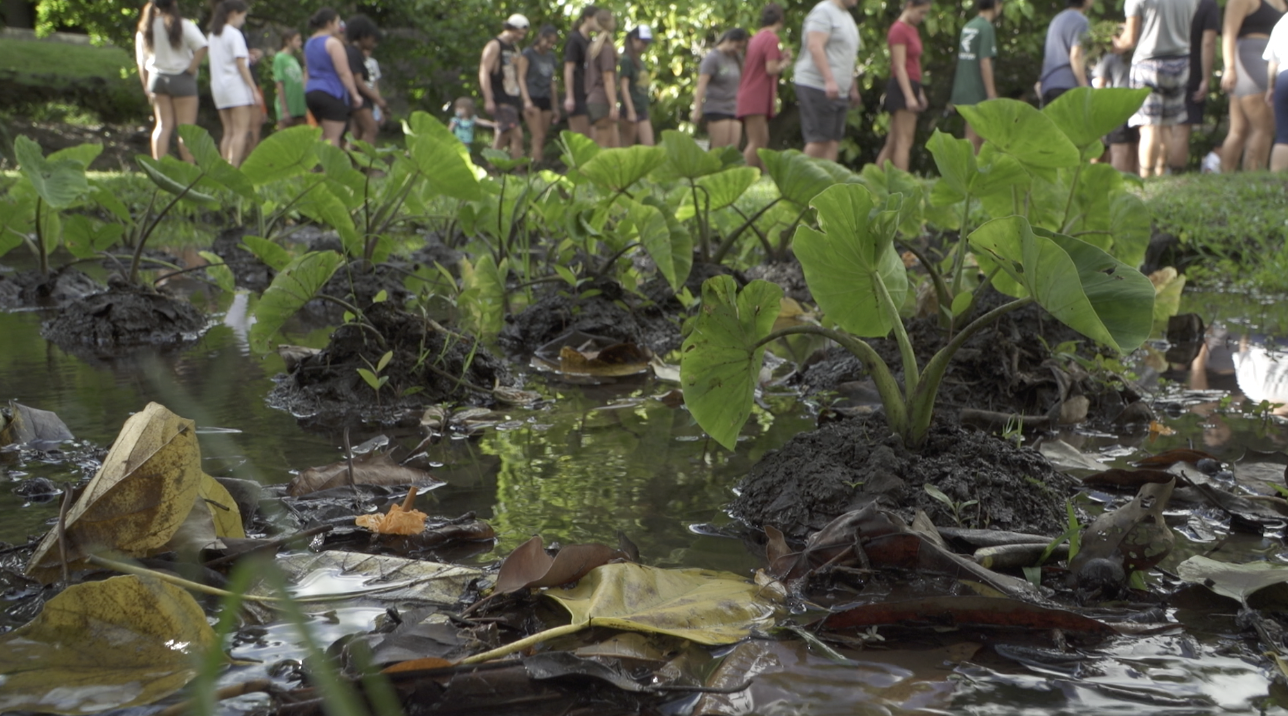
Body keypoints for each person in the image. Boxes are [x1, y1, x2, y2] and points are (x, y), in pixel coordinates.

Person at [1115, 0, 1202, 177]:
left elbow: (1129, 39)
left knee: (1149, 126)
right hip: (1180, 62)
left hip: (1149, 63)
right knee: (1167, 125)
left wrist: (1113, 43)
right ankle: (1162, 173)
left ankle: (1147, 176)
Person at [134, 0, 208, 162]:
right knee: (186, 130)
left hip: (157, 79)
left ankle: (159, 168)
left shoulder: (145, 28)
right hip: (181, 78)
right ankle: (190, 171)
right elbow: (202, 46)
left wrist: (147, 87)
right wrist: (191, 68)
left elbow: (142, 63)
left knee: (162, 125)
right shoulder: (183, 25)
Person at [792, 0, 861, 160]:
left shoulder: (846, 16)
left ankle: (827, 184)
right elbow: (815, 46)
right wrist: (829, 80)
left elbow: (845, 55)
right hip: (817, 85)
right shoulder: (823, 12)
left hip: (840, 91)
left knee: (833, 141)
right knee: (819, 140)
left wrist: (852, 86)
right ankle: (798, 181)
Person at [1219, 0, 1284, 171]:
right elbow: (1228, 32)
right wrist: (1230, 67)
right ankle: (1253, 176)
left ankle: (1229, 178)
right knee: (1264, 126)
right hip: (1246, 60)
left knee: (1239, 128)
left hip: (1270, 59)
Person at [875, 0, 932, 171]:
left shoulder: (912, 30)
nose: (922, 17)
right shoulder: (898, 29)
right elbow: (899, 66)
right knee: (904, 141)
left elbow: (915, 63)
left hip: (913, 83)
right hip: (901, 86)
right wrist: (909, 96)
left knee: (894, 141)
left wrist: (919, 91)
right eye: (921, 12)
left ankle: (872, 180)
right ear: (910, 6)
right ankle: (903, 183)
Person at [737, 5, 793, 168]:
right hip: (756, 95)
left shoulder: (757, 38)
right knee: (757, 142)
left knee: (762, 140)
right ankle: (741, 175)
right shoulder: (771, 38)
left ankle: (762, 174)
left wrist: (780, 58)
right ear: (780, 20)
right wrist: (785, 63)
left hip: (749, 93)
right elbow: (771, 68)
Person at [1167, 0, 1219, 169]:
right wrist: (1205, 78)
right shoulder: (1207, 4)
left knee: (1158, 127)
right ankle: (1174, 175)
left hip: (1158, 65)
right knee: (1181, 128)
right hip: (1190, 68)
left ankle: (1155, 171)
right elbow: (1208, 42)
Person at [304, 8, 363, 147]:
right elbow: (344, 72)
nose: (339, 25)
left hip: (312, 92)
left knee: (320, 135)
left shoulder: (309, 43)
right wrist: (355, 94)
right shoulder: (333, 43)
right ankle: (329, 169)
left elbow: (307, 69)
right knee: (332, 138)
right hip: (331, 92)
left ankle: (314, 167)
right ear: (329, 23)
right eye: (337, 22)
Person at [207, 0, 256, 167]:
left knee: (228, 131)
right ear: (234, 14)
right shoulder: (234, 34)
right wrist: (254, 89)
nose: (243, 21)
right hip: (236, 88)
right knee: (240, 131)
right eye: (243, 16)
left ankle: (224, 167)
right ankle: (233, 167)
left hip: (219, 88)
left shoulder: (213, 35)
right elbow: (241, 65)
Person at [950, 0, 1001, 151]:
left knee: (971, 135)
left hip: (963, 88)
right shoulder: (986, 28)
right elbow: (984, 62)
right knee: (978, 138)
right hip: (977, 91)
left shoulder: (968, 26)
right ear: (996, 5)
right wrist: (991, 94)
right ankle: (974, 173)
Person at [479, 13, 530, 159]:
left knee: (503, 133)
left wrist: (524, 98)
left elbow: (519, 75)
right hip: (499, 96)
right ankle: (518, 167)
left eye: (523, 34)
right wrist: (488, 98)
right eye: (518, 33)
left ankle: (493, 166)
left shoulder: (515, 49)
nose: (520, 37)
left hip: (512, 95)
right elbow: (484, 72)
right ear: (510, 28)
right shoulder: (495, 45)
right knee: (517, 134)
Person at [693, 29, 749, 149]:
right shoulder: (713, 58)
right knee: (720, 149)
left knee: (732, 150)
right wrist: (697, 108)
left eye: (741, 48)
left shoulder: (737, 58)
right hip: (717, 107)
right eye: (737, 46)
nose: (738, 50)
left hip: (734, 108)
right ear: (728, 41)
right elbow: (702, 84)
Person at [1093, 40, 1140, 173]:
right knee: (1135, 150)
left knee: (1119, 150)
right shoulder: (1138, 56)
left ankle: (1118, 184)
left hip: (1117, 108)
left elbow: (1099, 84)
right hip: (1137, 106)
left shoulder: (1110, 58)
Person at [1038, 0, 1093, 106]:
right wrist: (1085, 88)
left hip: (1049, 86)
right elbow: (1076, 56)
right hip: (1068, 87)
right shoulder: (1081, 21)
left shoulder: (1056, 20)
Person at [520, 25, 561, 163]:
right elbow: (521, 77)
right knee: (537, 136)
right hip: (532, 97)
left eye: (553, 44)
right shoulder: (528, 54)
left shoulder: (551, 57)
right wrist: (526, 100)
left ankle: (533, 163)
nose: (549, 46)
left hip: (546, 98)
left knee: (541, 137)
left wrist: (555, 107)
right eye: (548, 42)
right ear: (540, 38)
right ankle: (537, 167)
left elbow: (552, 82)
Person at [346, 15, 388, 145]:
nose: (373, 45)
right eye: (372, 40)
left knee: (358, 134)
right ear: (363, 36)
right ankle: (365, 163)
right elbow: (358, 82)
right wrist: (378, 99)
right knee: (371, 129)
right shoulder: (353, 53)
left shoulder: (358, 54)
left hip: (363, 99)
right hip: (359, 99)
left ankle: (353, 163)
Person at [585, 8, 621, 148]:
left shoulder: (593, 47)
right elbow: (608, 78)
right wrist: (613, 105)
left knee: (609, 141)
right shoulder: (605, 49)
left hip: (593, 98)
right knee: (604, 142)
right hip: (602, 99)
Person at [564, 6, 600, 138]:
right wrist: (569, 96)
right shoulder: (574, 39)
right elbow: (568, 68)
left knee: (593, 136)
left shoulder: (590, 42)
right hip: (577, 93)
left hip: (588, 94)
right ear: (588, 18)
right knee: (581, 137)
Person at [619, 25, 656, 146]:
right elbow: (624, 87)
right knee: (627, 147)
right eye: (643, 42)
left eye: (647, 43)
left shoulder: (640, 61)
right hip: (631, 109)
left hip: (642, 109)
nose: (645, 46)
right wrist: (630, 111)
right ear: (634, 39)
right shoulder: (626, 60)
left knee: (649, 145)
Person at [1266, 12, 1288, 170]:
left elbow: (1272, 63)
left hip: (1284, 76)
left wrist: (1270, 88)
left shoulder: (1283, 21)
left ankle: (1277, 183)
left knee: (1284, 135)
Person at [273, 30, 306, 129]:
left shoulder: (293, 59)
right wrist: (284, 109)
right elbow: (279, 82)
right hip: (288, 105)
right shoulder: (280, 58)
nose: (300, 43)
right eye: (297, 40)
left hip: (299, 106)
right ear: (288, 41)